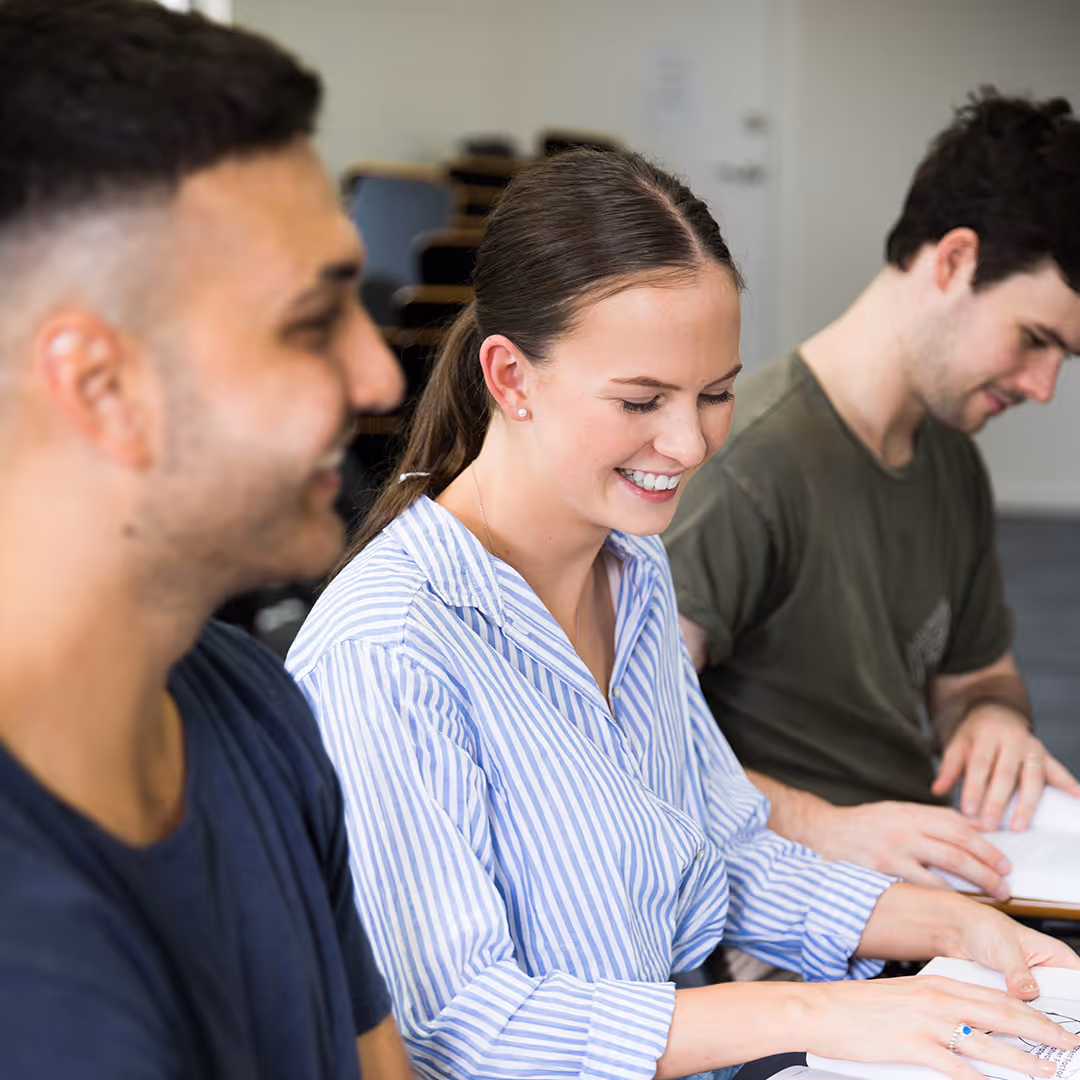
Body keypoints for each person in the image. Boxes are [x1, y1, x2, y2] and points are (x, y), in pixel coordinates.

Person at [287, 148, 1080, 1080]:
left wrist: (960, 925)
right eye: (640, 400)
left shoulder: (633, 568)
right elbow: (462, 1025)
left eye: (715, 394)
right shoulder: (390, 646)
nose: (690, 442)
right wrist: (825, 1012)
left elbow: (725, 854)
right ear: (510, 379)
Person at [0, 1, 411, 1077]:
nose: (381, 378)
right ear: (102, 387)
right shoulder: (31, 970)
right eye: (313, 323)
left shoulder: (256, 712)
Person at [663, 90, 1080, 903]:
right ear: (953, 260)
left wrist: (992, 719)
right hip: (789, 903)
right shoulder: (747, 466)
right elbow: (623, 746)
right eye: (1035, 340)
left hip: (911, 870)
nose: (1044, 387)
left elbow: (978, 677)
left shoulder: (950, 458)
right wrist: (828, 829)